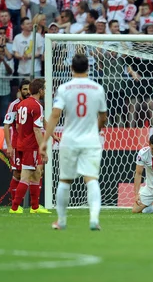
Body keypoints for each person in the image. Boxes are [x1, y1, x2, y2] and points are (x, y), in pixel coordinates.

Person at [41, 54, 108, 231]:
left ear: (71, 68)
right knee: (92, 179)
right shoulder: (97, 88)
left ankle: (61, 221)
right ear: (88, 68)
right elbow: (103, 117)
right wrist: (96, 130)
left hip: (69, 140)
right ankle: (94, 219)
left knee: (64, 180)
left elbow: (55, 115)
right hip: (91, 140)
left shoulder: (64, 88)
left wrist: (45, 141)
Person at [9, 79, 51, 215]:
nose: (45, 91)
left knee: (36, 174)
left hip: (21, 143)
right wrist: (43, 149)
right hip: (30, 145)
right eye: (44, 89)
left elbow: (17, 125)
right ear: (40, 90)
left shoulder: (22, 104)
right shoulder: (37, 106)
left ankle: (35, 206)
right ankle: (14, 208)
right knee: (26, 176)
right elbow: (37, 130)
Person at [3, 80, 30, 203]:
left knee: (37, 172)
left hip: (30, 145)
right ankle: (15, 204)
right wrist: (8, 145)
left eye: (29, 89)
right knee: (18, 173)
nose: (27, 91)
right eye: (24, 89)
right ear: (19, 91)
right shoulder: (14, 105)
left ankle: (35, 204)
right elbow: (7, 125)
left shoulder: (33, 103)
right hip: (17, 145)